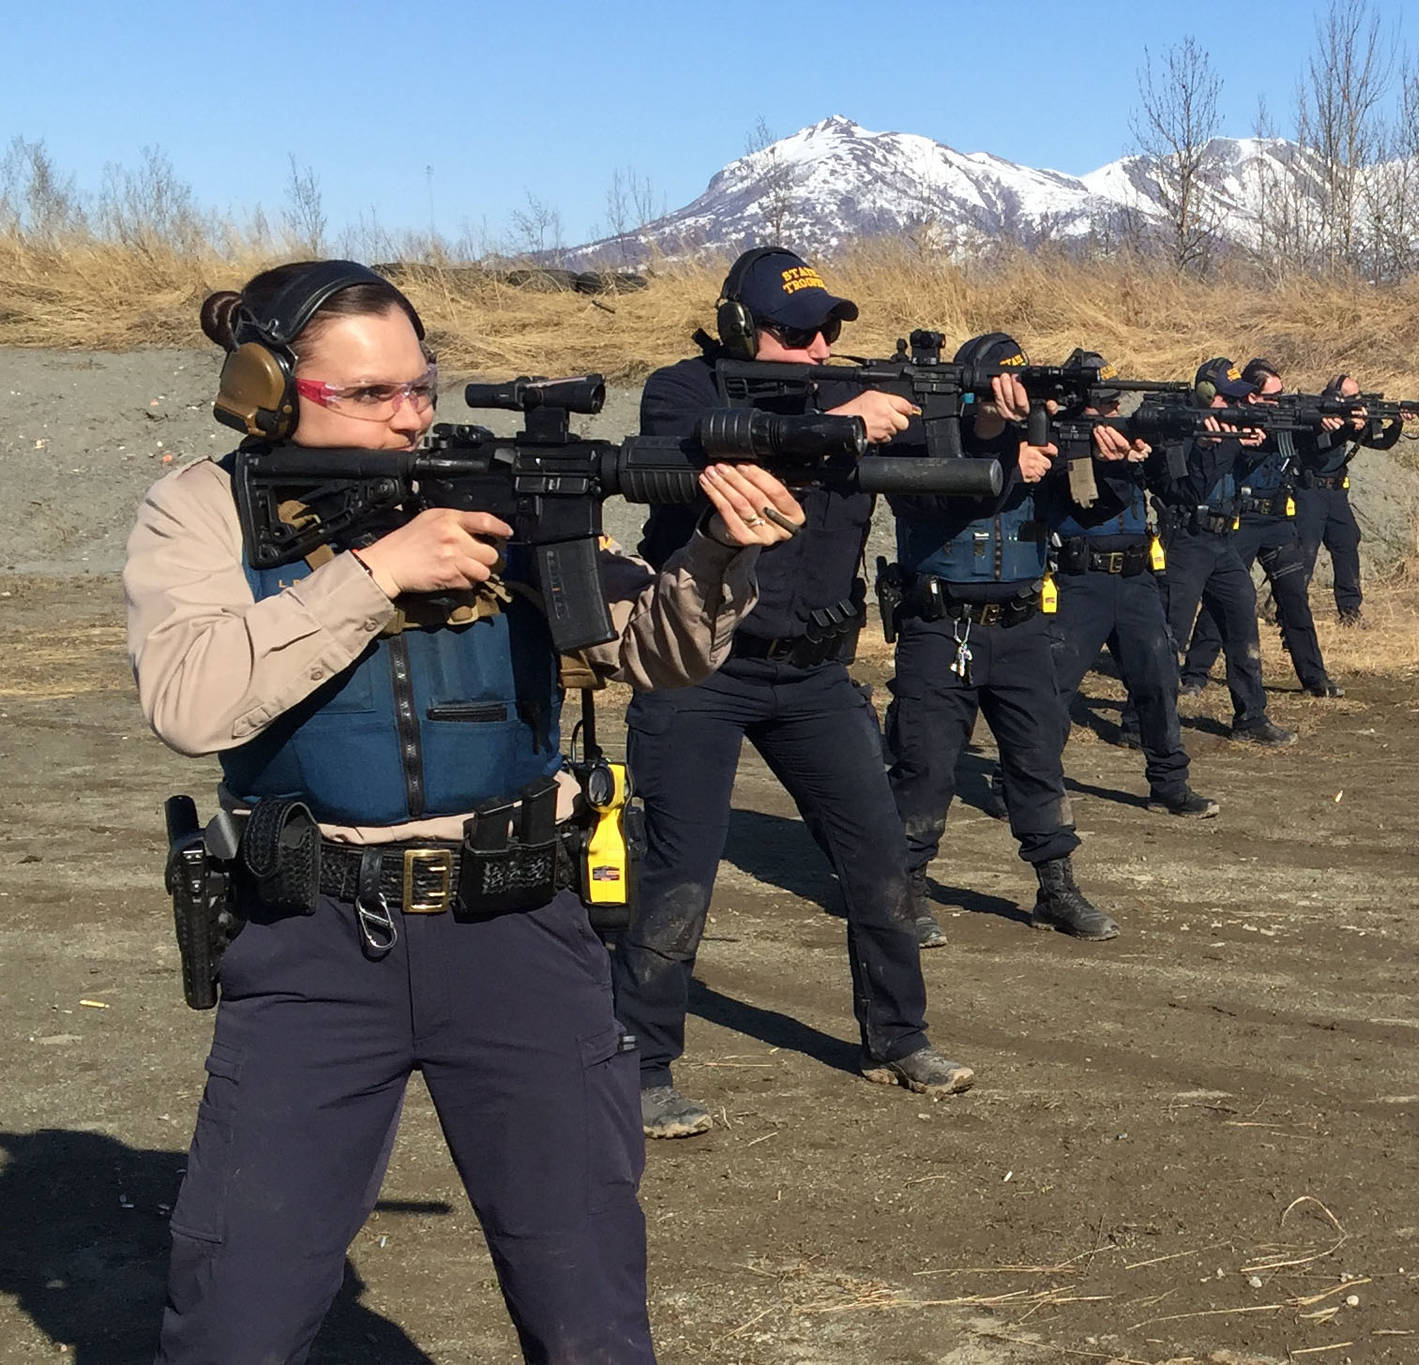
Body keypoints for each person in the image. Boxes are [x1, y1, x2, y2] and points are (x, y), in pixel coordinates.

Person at [125, 259, 802, 1364]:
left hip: (519, 925)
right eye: (371, 396)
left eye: (420, 387)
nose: (408, 418)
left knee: (584, 1296)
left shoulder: (496, 489)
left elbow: (652, 655)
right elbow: (190, 700)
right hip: (311, 939)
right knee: (237, 1305)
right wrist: (374, 572)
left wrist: (721, 551)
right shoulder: (201, 508)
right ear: (267, 389)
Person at [614, 246, 973, 1142]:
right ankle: (642, 1064)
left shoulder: (844, 399)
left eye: (829, 332)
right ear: (741, 328)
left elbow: (965, 461)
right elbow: (703, 454)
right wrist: (840, 424)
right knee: (676, 869)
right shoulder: (682, 391)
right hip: (699, 667)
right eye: (798, 331)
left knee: (882, 857)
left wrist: (997, 414)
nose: (818, 348)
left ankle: (898, 1038)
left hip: (814, 673)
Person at [885, 332, 1121, 941]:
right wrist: (1002, 455)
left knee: (1039, 758)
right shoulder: (926, 435)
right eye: (998, 387)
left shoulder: (1040, 439)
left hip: (1019, 627)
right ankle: (904, 888)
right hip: (942, 627)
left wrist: (1102, 461)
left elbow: (1089, 512)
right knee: (926, 764)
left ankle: (1056, 886)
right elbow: (934, 500)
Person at [1043, 353, 1218, 818]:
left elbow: (1181, 494)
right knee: (1054, 691)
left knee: (1159, 683)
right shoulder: (1063, 444)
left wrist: (1176, 448)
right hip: (1082, 581)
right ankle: (1020, 783)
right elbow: (1085, 503)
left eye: (1115, 404)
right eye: (1104, 407)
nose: (1112, 413)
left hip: (1136, 578)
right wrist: (1104, 461)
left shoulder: (1117, 442)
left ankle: (1169, 784)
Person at [1180, 357, 1342, 698]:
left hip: (1278, 521)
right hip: (1243, 518)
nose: (1279, 402)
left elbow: (1312, 448)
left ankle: (1315, 677)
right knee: (1223, 601)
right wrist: (1247, 438)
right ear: (1251, 398)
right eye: (1272, 396)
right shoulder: (1233, 425)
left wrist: (1332, 425)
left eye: (1282, 395)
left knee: (1295, 598)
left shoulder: (1280, 420)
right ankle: (1195, 672)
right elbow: (1227, 464)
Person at [1153, 359, 1296, 747]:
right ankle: (1145, 718)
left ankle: (1251, 715)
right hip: (1185, 538)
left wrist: (1247, 443)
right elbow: (1187, 489)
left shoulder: (1227, 430)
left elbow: (1248, 472)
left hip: (1221, 541)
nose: (1234, 406)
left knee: (1241, 618)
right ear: (1204, 396)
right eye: (1225, 399)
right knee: (1170, 634)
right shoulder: (1177, 431)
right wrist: (1210, 446)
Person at [1293, 373, 1404, 627]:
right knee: (1305, 553)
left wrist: (1396, 423)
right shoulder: (1315, 416)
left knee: (1346, 544)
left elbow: (1381, 443)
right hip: (1310, 491)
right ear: (1336, 397)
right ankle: (1291, 610)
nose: (1358, 400)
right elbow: (1320, 446)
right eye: (1353, 397)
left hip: (1336, 494)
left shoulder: (1347, 419)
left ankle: (1350, 610)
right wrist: (1345, 426)